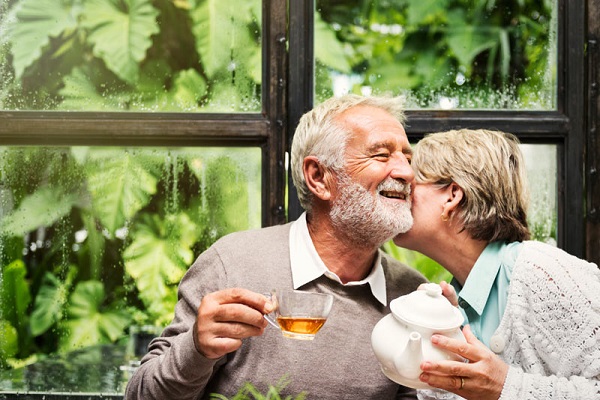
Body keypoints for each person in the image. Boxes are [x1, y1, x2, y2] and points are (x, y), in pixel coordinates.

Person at [125, 94, 428, 400]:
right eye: (381, 155)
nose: (407, 173)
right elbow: (140, 395)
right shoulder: (231, 264)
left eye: (408, 158)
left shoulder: (414, 296)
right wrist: (196, 350)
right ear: (319, 177)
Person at [393, 128, 600, 399]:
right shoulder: (455, 303)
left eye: (413, 183)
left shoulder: (540, 271)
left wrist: (505, 386)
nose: (401, 192)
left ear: (452, 196)